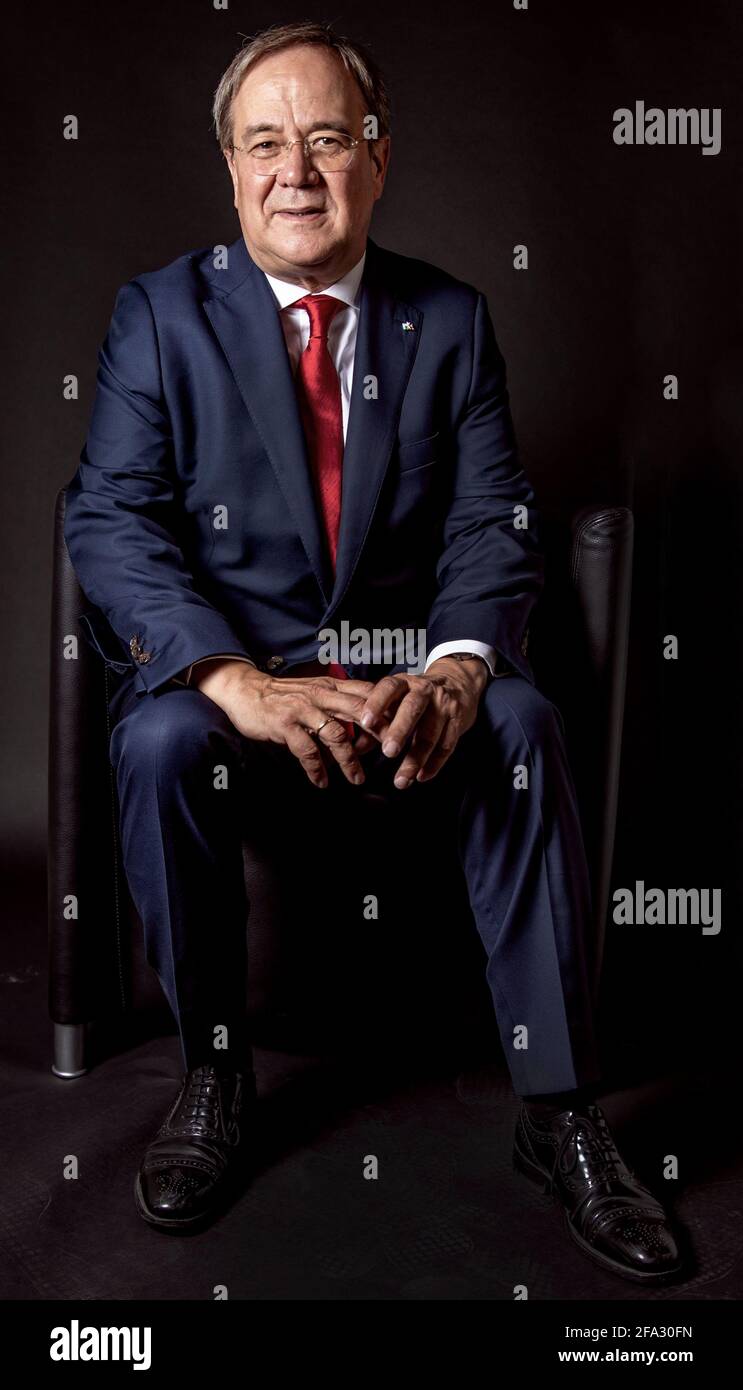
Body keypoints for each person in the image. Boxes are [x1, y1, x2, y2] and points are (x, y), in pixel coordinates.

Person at [63, 20, 683, 1282]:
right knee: (164, 733)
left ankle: (559, 1112)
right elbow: (108, 516)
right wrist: (232, 677)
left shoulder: (447, 322)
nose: (296, 172)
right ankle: (214, 1077)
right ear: (230, 168)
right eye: (265, 145)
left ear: (377, 160)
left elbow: (490, 521)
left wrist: (455, 667)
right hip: (231, 682)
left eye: (328, 139)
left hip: (403, 680)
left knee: (520, 722)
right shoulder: (159, 317)